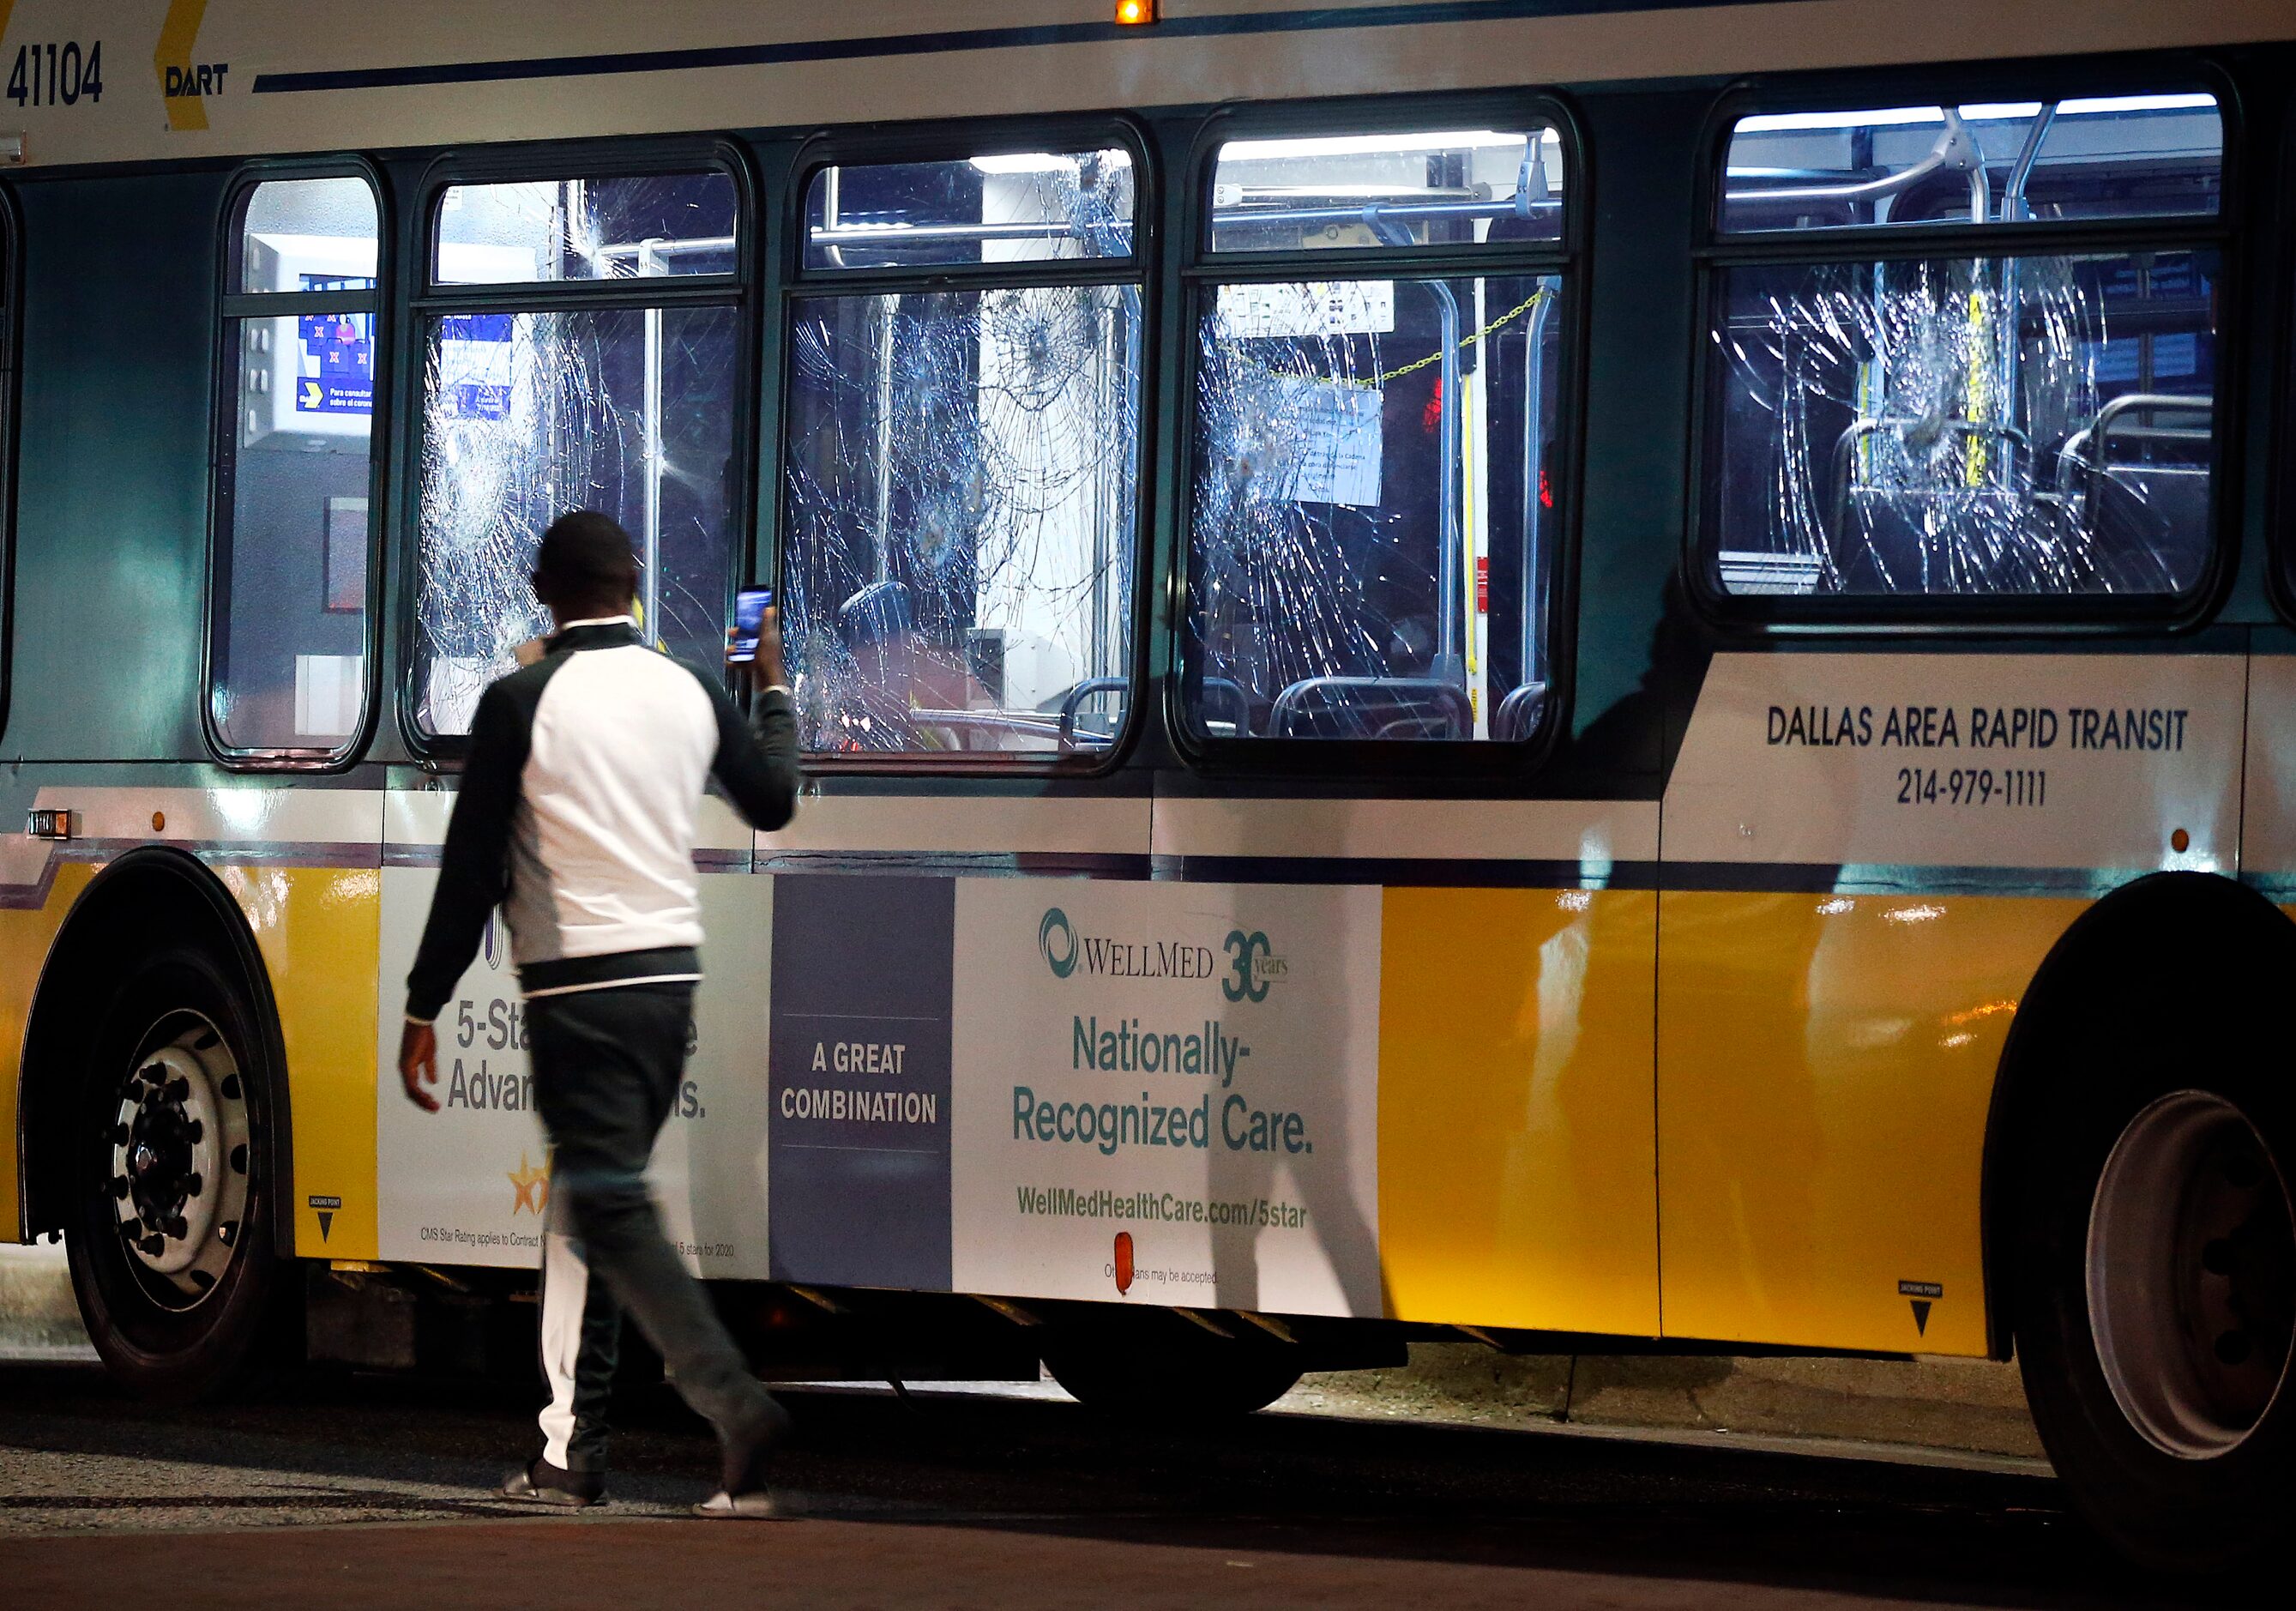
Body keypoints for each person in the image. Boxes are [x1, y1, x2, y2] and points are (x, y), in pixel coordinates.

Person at [397, 510, 801, 1518]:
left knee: (607, 1201)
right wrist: (774, 686)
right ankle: (574, 1450)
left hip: (578, 991)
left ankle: (730, 1403)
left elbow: (470, 868)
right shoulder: (691, 687)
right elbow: (773, 801)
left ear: (543, 590)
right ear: (634, 587)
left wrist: (424, 1001)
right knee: (593, 1205)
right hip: (670, 990)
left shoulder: (521, 700)